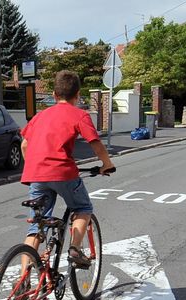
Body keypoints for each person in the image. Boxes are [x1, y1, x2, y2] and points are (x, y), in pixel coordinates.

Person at [20, 70, 115, 267]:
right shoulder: (80, 115)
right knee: (83, 207)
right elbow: (95, 142)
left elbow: (24, 145)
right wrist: (107, 164)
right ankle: (75, 249)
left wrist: (34, 167)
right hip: (63, 173)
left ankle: (23, 284)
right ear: (78, 95)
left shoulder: (39, 116)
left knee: (36, 228)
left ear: (54, 95)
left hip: (36, 175)